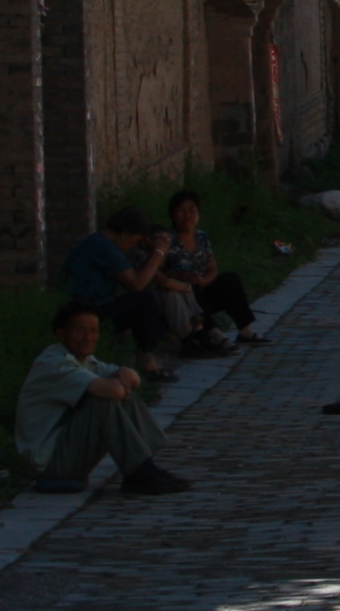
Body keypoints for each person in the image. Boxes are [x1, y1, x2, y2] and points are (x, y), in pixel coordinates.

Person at [19, 302, 189, 494]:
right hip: (49, 463)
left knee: (121, 394)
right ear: (61, 333)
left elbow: (133, 377)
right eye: (80, 331)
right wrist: (120, 384)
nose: (88, 337)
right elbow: (112, 391)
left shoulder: (86, 361)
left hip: (68, 453)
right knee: (102, 401)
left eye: (93, 331)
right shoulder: (54, 363)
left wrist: (123, 375)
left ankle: (146, 467)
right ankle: (139, 473)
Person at [60, 206, 185, 381]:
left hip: (86, 306)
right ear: (124, 233)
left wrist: (151, 245)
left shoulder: (97, 241)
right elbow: (137, 284)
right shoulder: (107, 248)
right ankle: (148, 363)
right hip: (87, 310)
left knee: (145, 298)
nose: (133, 247)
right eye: (135, 241)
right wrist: (158, 252)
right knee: (144, 300)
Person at [156, 190, 260, 351]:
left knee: (230, 279)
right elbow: (158, 273)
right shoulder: (167, 239)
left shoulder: (202, 237)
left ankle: (245, 330)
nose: (187, 215)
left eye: (192, 210)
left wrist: (204, 280)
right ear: (173, 214)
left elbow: (212, 269)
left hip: (205, 291)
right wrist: (181, 276)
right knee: (192, 285)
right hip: (185, 297)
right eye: (182, 211)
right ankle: (215, 334)